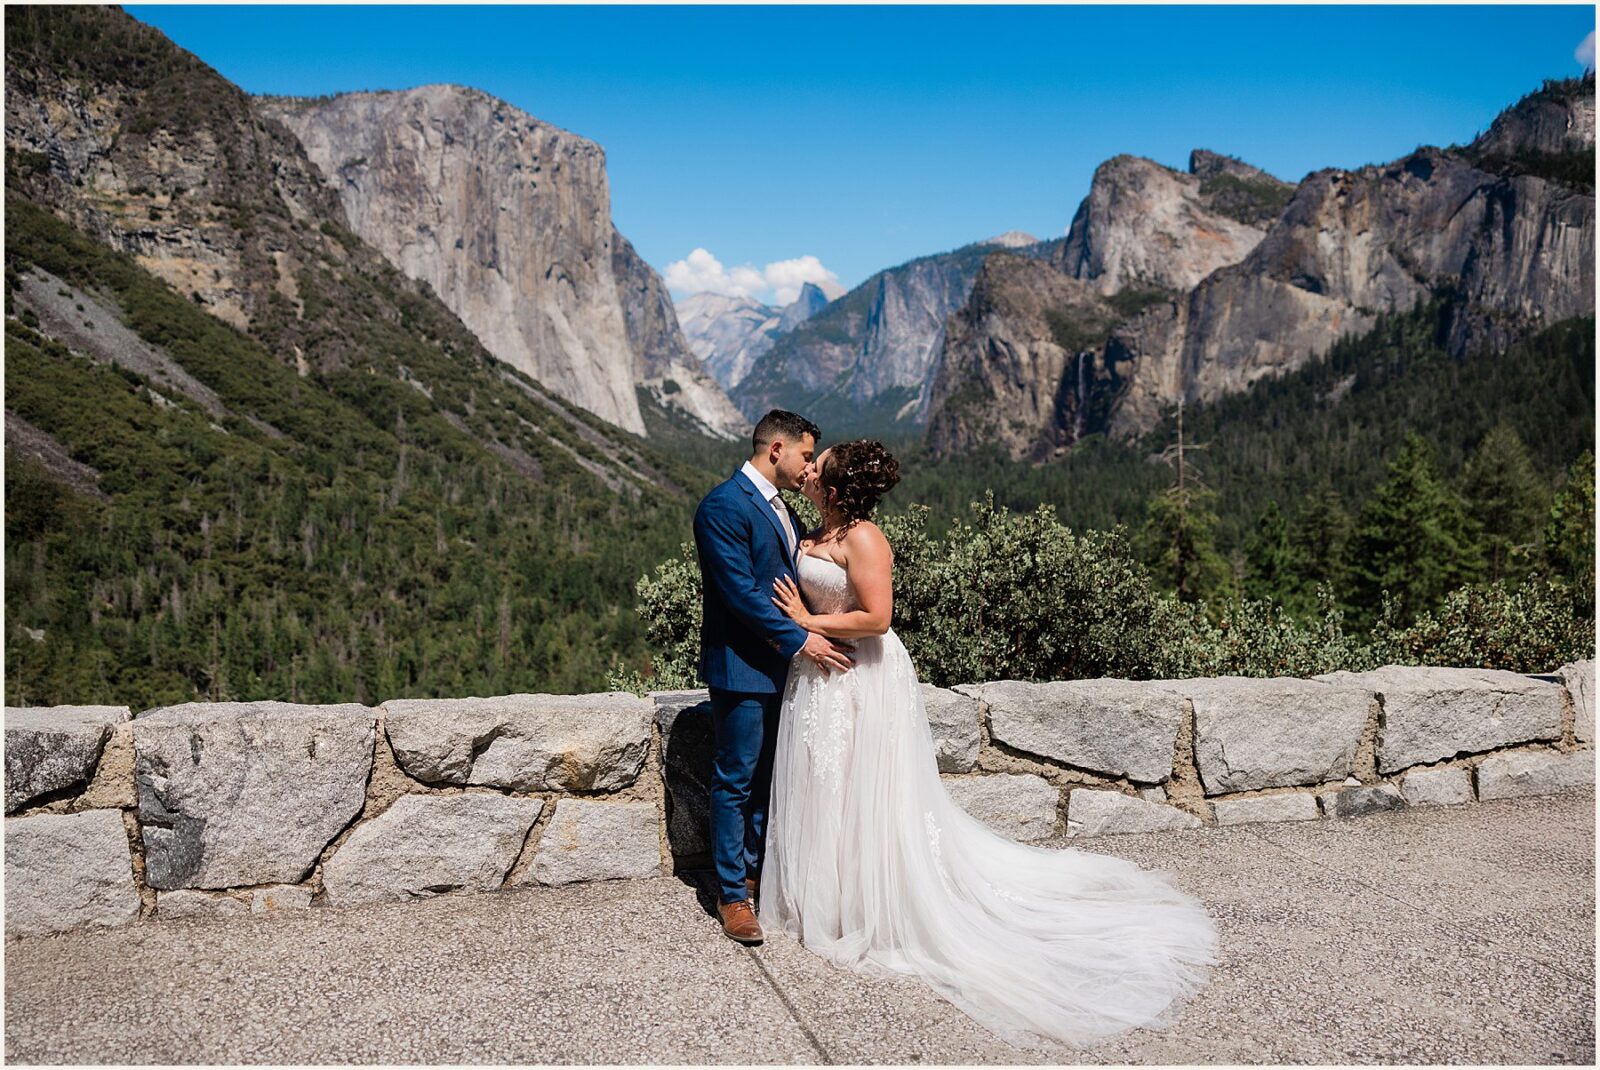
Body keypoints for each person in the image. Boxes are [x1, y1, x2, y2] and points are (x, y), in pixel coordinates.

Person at [762, 439, 1218, 1050]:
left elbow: (877, 618)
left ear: (837, 489)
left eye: (819, 466)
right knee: (826, 784)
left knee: (868, 788)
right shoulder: (808, 534)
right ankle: (832, 900)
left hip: (864, 676)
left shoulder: (864, 539)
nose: (808, 468)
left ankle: (878, 903)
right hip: (821, 680)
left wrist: (807, 622)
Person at [691, 409, 855, 945]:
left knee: (771, 778)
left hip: (787, 669)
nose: (810, 468)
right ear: (777, 448)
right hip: (742, 666)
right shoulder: (721, 506)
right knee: (736, 777)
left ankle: (760, 875)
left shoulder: (783, 509)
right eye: (807, 455)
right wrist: (802, 639)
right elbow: (740, 594)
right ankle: (733, 895)